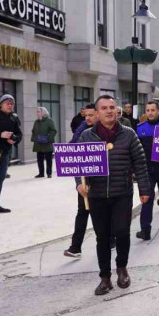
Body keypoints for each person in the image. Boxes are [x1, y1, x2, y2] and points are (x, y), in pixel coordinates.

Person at [76, 95, 151, 295]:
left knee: (122, 232)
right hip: (97, 195)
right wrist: (79, 185)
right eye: (104, 108)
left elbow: (140, 164)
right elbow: (78, 165)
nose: (109, 111)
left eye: (112, 107)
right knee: (102, 237)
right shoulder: (86, 136)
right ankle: (105, 277)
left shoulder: (128, 134)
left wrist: (144, 190)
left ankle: (122, 268)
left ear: (117, 111)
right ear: (97, 112)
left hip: (122, 193)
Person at [64, 107, 99, 258]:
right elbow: (75, 157)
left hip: (104, 181)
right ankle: (75, 247)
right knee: (82, 212)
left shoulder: (107, 131)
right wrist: (79, 183)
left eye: (91, 115)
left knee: (100, 215)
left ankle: (109, 241)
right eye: (86, 115)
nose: (88, 118)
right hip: (86, 179)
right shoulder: (81, 132)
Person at [135, 101, 159, 240]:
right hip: (147, 169)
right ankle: (145, 230)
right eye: (148, 110)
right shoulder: (140, 128)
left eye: (152, 110)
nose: (150, 112)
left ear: (158, 111)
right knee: (147, 199)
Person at [31, 107, 58, 179]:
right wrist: (34, 138)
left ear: (43, 113)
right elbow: (33, 131)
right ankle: (41, 173)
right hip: (38, 144)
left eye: (38, 112)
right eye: (37, 112)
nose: (37, 113)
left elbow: (54, 131)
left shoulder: (49, 121)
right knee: (39, 159)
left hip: (47, 144)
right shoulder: (36, 121)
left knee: (48, 159)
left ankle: (49, 173)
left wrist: (48, 138)